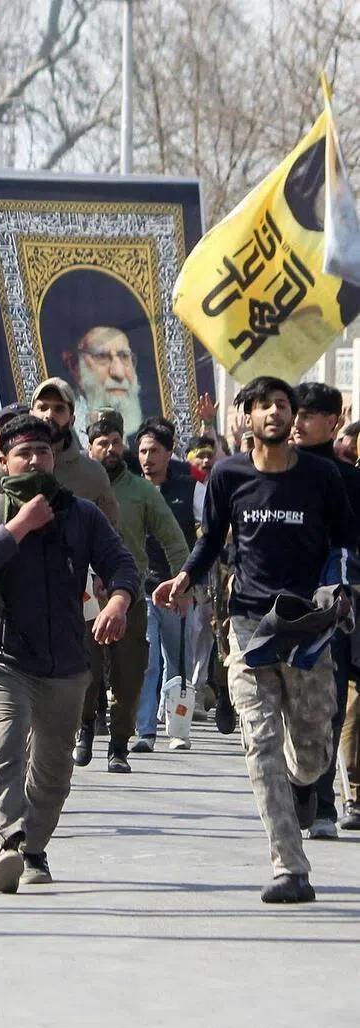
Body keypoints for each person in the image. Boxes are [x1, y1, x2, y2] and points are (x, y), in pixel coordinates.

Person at [154, 376, 355, 904]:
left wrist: (341, 593)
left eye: (281, 405)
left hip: (308, 627)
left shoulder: (320, 477)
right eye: (261, 405)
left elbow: (345, 542)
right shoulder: (228, 474)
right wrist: (184, 578)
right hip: (250, 627)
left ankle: (304, 782)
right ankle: (290, 865)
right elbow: (211, 539)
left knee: (312, 750)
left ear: (292, 417)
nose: (272, 412)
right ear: (245, 416)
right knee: (260, 741)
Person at [0, 414, 139, 893]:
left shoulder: (81, 513)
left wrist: (118, 600)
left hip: (64, 660)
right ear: (4, 460)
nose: (34, 460)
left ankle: (34, 849)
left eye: (42, 452)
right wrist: (19, 525)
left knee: (54, 768)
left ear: (54, 457)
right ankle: (9, 844)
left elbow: (120, 562)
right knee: (3, 742)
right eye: (23, 453)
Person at [0, 379, 118, 605]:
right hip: (5, 605)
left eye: (58, 408)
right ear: (31, 412)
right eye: (42, 407)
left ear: (72, 419)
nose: (49, 415)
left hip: (73, 603)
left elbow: (110, 533)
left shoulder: (92, 473)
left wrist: (108, 581)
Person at [77, 418, 190, 770]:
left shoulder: (141, 492)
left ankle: (119, 746)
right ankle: (84, 730)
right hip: (83, 600)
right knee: (85, 673)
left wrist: (183, 585)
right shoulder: (73, 488)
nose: (110, 449)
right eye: (102, 443)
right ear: (89, 448)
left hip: (131, 599)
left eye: (115, 442)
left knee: (130, 675)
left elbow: (174, 539)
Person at [291, 381, 360, 839]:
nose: (297, 421)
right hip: (275, 607)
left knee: (328, 704)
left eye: (309, 414)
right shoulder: (271, 471)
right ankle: (298, 788)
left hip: (333, 606)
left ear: (334, 421)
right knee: (284, 707)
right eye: (294, 411)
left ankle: (322, 802)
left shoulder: (350, 480)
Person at [133, 421, 206, 752]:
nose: (148, 458)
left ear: (168, 452)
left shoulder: (190, 489)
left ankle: (177, 727)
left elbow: (214, 528)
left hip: (179, 590)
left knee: (179, 663)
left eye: (154, 451)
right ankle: (145, 730)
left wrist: (190, 582)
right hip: (140, 589)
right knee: (147, 661)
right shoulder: (130, 488)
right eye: (143, 451)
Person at [60, 326, 143, 437]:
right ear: (74, 366)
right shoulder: (63, 433)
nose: (119, 373)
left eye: (124, 356)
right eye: (102, 356)